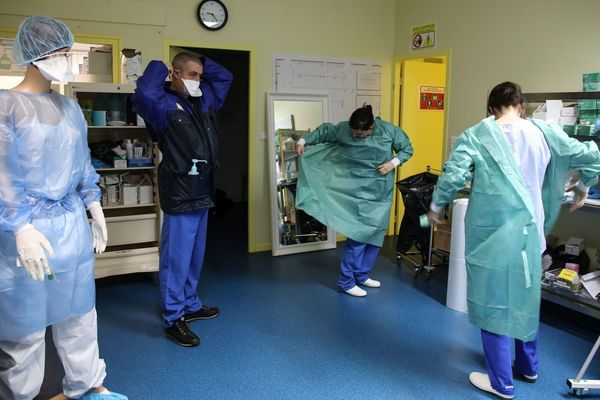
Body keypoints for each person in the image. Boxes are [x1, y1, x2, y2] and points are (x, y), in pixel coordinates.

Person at [427, 81, 600, 399]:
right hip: (532, 236)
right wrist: (583, 186)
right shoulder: (546, 133)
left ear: (491, 108)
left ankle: (501, 382)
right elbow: (591, 155)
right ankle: (528, 366)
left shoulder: (478, 134)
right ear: (521, 106)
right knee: (525, 302)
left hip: (494, 238)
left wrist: (437, 206)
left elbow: (452, 175)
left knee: (494, 305)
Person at [0, 16, 127, 400]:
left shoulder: (70, 107)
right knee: (25, 325)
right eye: (58, 52)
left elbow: (83, 164)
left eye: (66, 52)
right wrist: (20, 227)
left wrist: (94, 205)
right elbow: (3, 176)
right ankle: (20, 395)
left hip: (70, 224)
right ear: (34, 55)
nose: (64, 60)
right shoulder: (6, 106)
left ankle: (87, 387)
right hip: (28, 232)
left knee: (79, 314)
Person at [131, 52, 233, 347]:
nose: (198, 80)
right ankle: (173, 316)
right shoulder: (160, 104)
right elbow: (141, 96)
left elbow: (225, 77)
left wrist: (200, 60)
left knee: (195, 255)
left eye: (200, 75)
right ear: (175, 73)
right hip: (179, 191)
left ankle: (190, 303)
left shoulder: (205, 100)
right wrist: (155, 68)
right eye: (191, 74)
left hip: (203, 190)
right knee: (176, 259)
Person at [295, 105, 413, 297]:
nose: (356, 136)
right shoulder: (344, 130)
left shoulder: (389, 131)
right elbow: (325, 131)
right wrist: (303, 140)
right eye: (354, 133)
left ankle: (361, 275)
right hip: (353, 189)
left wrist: (393, 163)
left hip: (380, 191)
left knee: (375, 235)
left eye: (360, 133)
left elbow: (407, 149)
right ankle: (346, 281)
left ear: (371, 128)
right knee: (358, 235)